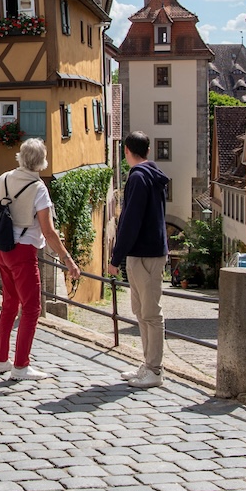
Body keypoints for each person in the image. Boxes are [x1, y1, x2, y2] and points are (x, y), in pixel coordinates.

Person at [0, 139, 80, 380]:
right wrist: (68, 260)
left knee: (9, 303)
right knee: (32, 308)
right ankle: (21, 366)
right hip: (23, 251)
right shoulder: (38, 188)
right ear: (42, 161)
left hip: (2, 247)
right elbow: (49, 231)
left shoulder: (5, 177)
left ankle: (0, 359)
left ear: (21, 157)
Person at [109, 130, 171, 389]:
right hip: (147, 252)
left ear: (126, 151)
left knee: (150, 313)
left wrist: (115, 257)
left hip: (145, 253)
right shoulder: (152, 174)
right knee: (141, 311)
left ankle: (154, 370)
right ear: (148, 150)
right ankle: (148, 363)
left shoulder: (138, 177)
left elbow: (130, 221)